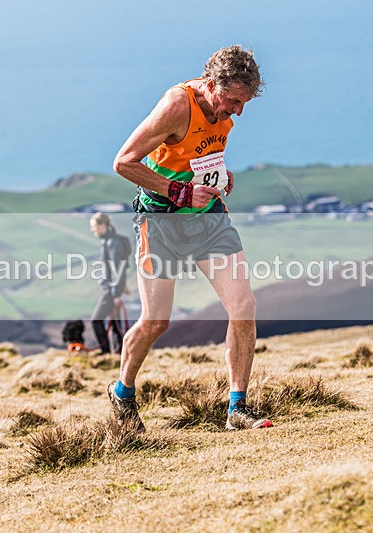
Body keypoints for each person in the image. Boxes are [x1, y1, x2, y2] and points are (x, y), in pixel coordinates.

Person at [108, 45, 272, 432]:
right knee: (155, 322)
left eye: (245, 103)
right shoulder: (177, 105)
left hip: (209, 219)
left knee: (243, 306)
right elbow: (124, 162)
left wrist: (219, 173)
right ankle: (122, 392)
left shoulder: (223, 107)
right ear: (211, 85)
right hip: (161, 222)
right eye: (234, 101)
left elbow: (197, 151)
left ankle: (237, 409)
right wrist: (180, 192)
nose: (238, 111)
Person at [89, 212, 129, 355]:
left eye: (94, 226)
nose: (92, 229)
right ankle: (119, 353)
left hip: (110, 290)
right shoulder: (108, 241)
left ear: (103, 225)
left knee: (96, 320)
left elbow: (117, 268)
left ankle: (106, 352)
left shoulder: (112, 243)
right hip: (112, 289)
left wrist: (116, 294)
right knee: (115, 322)